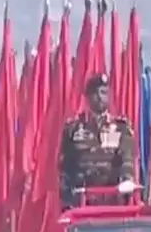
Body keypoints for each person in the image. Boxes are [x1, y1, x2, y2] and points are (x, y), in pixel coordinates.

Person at [59, 73, 137, 208]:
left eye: (104, 92)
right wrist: (66, 200)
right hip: (82, 200)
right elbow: (65, 168)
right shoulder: (73, 129)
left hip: (113, 200)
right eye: (96, 93)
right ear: (87, 97)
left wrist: (127, 179)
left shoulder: (121, 127)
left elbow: (127, 158)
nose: (100, 97)